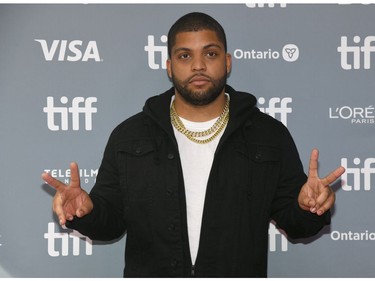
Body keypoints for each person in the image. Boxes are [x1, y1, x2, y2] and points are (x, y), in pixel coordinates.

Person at [41, 12, 345, 277]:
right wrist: (86, 211)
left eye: (210, 54)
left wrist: (311, 209)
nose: (198, 65)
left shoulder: (268, 135)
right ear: (170, 66)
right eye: (185, 55)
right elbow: (110, 221)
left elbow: (297, 223)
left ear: (227, 62)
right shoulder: (130, 136)